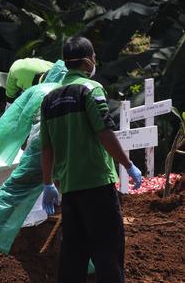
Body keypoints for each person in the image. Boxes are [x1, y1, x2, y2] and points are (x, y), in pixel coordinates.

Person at [40, 37, 143, 283]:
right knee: (108, 251)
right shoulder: (90, 89)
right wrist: (128, 165)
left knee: (73, 254)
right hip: (96, 183)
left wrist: (48, 184)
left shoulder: (49, 99)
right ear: (88, 61)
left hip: (70, 188)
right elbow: (104, 132)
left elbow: (46, 147)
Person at [0, 59, 67, 254]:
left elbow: (9, 128)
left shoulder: (37, 92)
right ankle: (90, 263)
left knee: (14, 190)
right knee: (81, 200)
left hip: (42, 147)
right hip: (77, 151)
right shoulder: (81, 91)